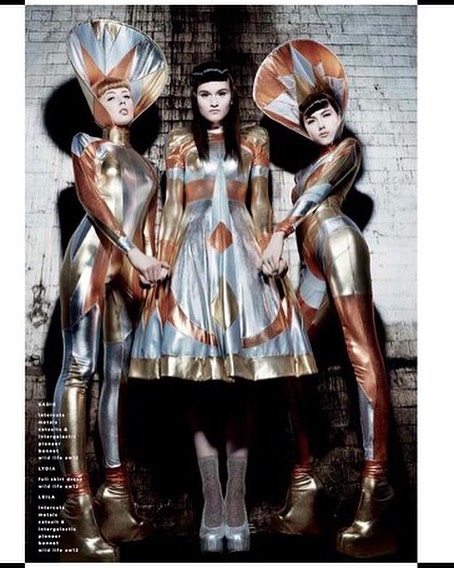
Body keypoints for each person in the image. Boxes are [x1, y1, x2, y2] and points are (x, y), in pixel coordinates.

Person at [130, 61, 317, 554]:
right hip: (192, 258)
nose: (213, 101)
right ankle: (211, 502)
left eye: (221, 93)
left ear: (232, 97)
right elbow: (172, 207)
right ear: (195, 100)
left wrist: (272, 249)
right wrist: (160, 260)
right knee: (194, 385)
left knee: (240, 387)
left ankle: (236, 501)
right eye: (205, 94)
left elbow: (260, 205)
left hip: (241, 257)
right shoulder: (179, 142)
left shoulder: (254, 140)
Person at [253, 39, 396, 558]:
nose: (320, 124)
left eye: (327, 114)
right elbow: (302, 190)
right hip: (312, 263)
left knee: (361, 352)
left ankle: (377, 490)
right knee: (291, 356)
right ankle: (305, 486)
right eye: (311, 119)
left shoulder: (347, 151)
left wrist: (281, 230)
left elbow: (317, 197)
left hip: (339, 244)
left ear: (339, 115)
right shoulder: (297, 172)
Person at [53, 19, 169, 562]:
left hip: (128, 269)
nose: (122, 101)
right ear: (97, 106)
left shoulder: (148, 165)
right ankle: (75, 504)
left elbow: (150, 226)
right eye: (111, 96)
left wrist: (149, 267)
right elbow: (94, 203)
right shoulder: (88, 144)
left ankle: (116, 496)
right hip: (91, 258)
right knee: (79, 369)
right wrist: (131, 250)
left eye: (127, 96)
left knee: (118, 376)